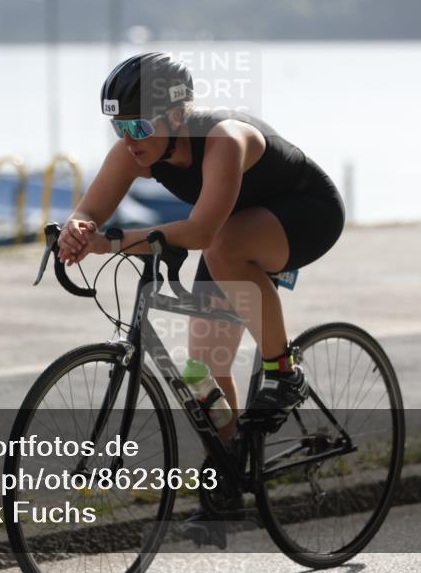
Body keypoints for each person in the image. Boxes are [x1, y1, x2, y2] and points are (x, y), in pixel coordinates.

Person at [58, 51, 346, 437]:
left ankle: (284, 372)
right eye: (119, 127)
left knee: (224, 245)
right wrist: (74, 231)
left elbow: (201, 233)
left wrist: (109, 244)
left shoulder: (223, 140)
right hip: (237, 230)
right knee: (201, 370)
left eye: (139, 128)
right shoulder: (136, 151)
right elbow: (88, 210)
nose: (129, 141)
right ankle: (230, 473)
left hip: (307, 214)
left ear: (176, 117)